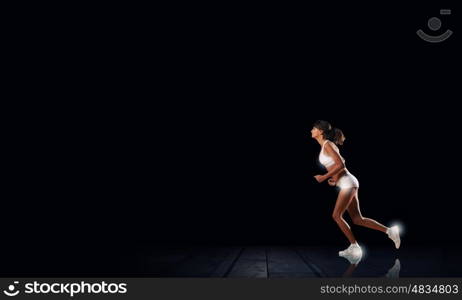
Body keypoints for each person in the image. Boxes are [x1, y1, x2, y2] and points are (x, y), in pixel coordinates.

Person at [311, 120, 401, 257]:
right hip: (346, 182)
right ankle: (390, 231)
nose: (311, 130)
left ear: (321, 131)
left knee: (336, 215)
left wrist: (323, 177)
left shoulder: (328, 145)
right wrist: (335, 181)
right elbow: (337, 165)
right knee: (357, 219)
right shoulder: (325, 146)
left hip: (348, 182)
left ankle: (355, 247)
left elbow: (341, 164)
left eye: (314, 128)